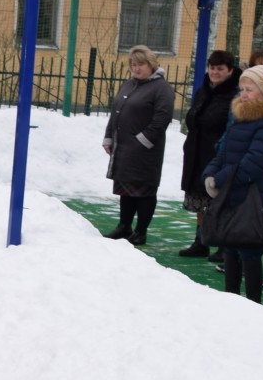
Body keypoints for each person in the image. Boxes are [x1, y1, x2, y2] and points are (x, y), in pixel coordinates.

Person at [201, 65, 263, 302]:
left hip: (254, 197)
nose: (243, 94)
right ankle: (231, 302)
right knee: (230, 249)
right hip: (233, 194)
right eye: (241, 89)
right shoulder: (241, 119)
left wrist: (221, 180)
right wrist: (210, 174)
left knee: (250, 252)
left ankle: (254, 305)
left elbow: (253, 163)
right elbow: (223, 153)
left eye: (249, 89)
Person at [99, 44, 175, 245]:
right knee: (126, 187)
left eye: (140, 64)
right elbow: (116, 112)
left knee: (144, 189)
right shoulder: (129, 84)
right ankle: (124, 226)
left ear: (151, 64)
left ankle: (141, 231)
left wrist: (142, 140)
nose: (136, 68)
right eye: (133, 64)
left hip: (145, 151)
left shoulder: (161, 88)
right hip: (124, 148)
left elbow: (162, 118)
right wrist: (109, 137)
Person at [176, 50, 240, 258]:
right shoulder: (203, 91)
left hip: (218, 154)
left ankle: (223, 245)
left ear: (230, 70)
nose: (215, 72)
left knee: (219, 201)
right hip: (196, 152)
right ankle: (201, 241)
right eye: (212, 68)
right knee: (201, 201)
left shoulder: (235, 95)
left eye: (220, 68)